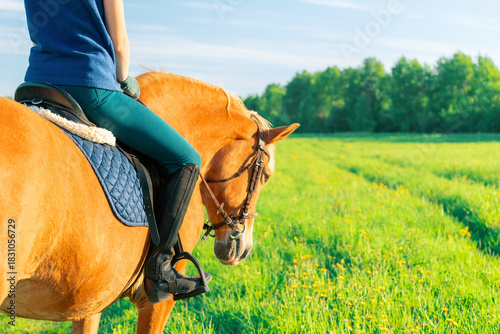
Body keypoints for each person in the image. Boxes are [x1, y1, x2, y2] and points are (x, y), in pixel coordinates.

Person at [23, 0, 210, 303]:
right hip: (89, 86)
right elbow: (120, 46)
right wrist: (125, 79)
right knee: (187, 159)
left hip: (35, 83)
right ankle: (161, 271)